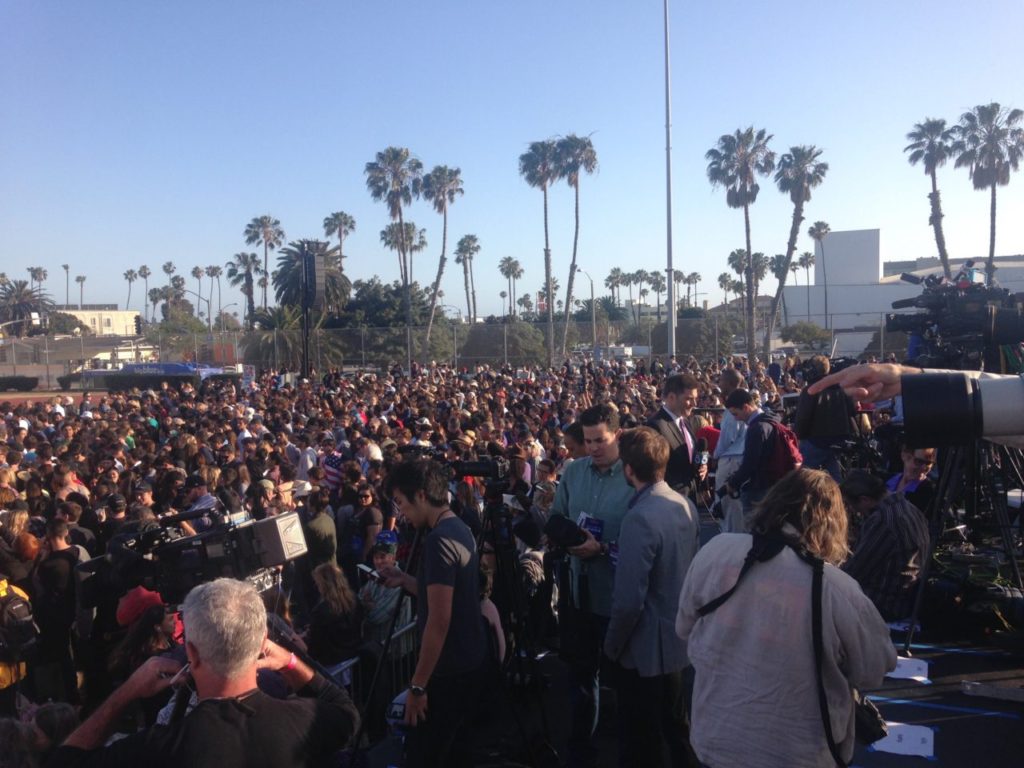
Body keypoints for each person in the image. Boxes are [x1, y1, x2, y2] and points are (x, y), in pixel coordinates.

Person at [675, 469, 896, 768]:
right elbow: (873, 669)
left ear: (772, 501)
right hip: (797, 751)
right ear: (832, 523)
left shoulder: (715, 551)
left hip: (716, 739)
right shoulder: (835, 589)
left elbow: (684, 627)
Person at [48, 577, 360, 768]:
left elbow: (64, 762)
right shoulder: (301, 722)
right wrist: (290, 662)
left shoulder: (163, 747)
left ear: (192, 653)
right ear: (260, 643)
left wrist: (129, 690)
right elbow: (346, 712)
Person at [378, 459, 487, 768]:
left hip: (448, 672)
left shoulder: (439, 540)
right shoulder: (457, 525)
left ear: (422, 495)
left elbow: (439, 621)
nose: (401, 513)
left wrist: (417, 685)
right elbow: (448, 594)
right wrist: (406, 580)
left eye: (401, 503)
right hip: (467, 662)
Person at [603, 427, 699, 768]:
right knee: (678, 731)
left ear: (629, 469)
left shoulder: (639, 518)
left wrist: (611, 647)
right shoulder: (684, 504)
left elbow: (629, 601)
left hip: (646, 652)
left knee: (644, 741)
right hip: (679, 641)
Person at [549, 403, 634, 768]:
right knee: (582, 682)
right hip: (578, 593)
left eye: (600, 440)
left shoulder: (633, 476)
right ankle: (581, 752)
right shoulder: (573, 471)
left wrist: (601, 549)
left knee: (628, 684)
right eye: (587, 441)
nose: (594, 447)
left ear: (617, 435)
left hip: (618, 597)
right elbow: (555, 517)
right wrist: (570, 540)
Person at [843, 486, 930, 622]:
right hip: (907, 593)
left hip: (885, 604)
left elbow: (855, 572)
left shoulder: (883, 520)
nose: (853, 511)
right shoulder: (909, 508)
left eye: (851, 505)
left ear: (864, 500)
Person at [722, 389, 784, 522]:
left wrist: (733, 482)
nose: (735, 418)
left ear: (745, 407)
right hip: (774, 483)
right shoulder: (773, 420)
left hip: (758, 488)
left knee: (754, 530)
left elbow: (750, 464)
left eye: (736, 413)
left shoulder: (756, 428)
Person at [793, 356, 857, 482]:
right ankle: (840, 498)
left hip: (817, 440)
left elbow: (803, 417)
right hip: (839, 438)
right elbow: (852, 411)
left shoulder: (811, 389)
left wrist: (798, 435)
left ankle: (803, 499)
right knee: (835, 477)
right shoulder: (841, 387)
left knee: (802, 479)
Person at [646, 373, 707, 496]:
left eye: (695, 398)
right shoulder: (655, 426)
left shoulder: (685, 421)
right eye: (689, 399)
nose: (694, 404)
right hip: (669, 500)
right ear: (671, 397)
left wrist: (701, 466)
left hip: (689, 496)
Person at [712, 369, 747, 532]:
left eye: (722, 381)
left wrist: (715, 457)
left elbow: (727, 438)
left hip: (732, 460)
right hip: (739, 459)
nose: (719, 384)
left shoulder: (734, 408)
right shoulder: (745, 402)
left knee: (730, 507)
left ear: (731, 383)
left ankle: (731, 542)